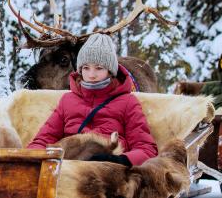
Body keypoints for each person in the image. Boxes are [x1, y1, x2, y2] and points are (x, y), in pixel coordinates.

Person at [27, 33, 158, 166]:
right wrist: (29, 160)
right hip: (69, 167)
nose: (91, 75)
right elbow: (42, 140)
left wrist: (120, 160)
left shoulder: (128, 102)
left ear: (110, 71)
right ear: (79, 69)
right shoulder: (67, 101)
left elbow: (147, 149)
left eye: (99, 68)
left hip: (108, 172)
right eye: (86, 68)